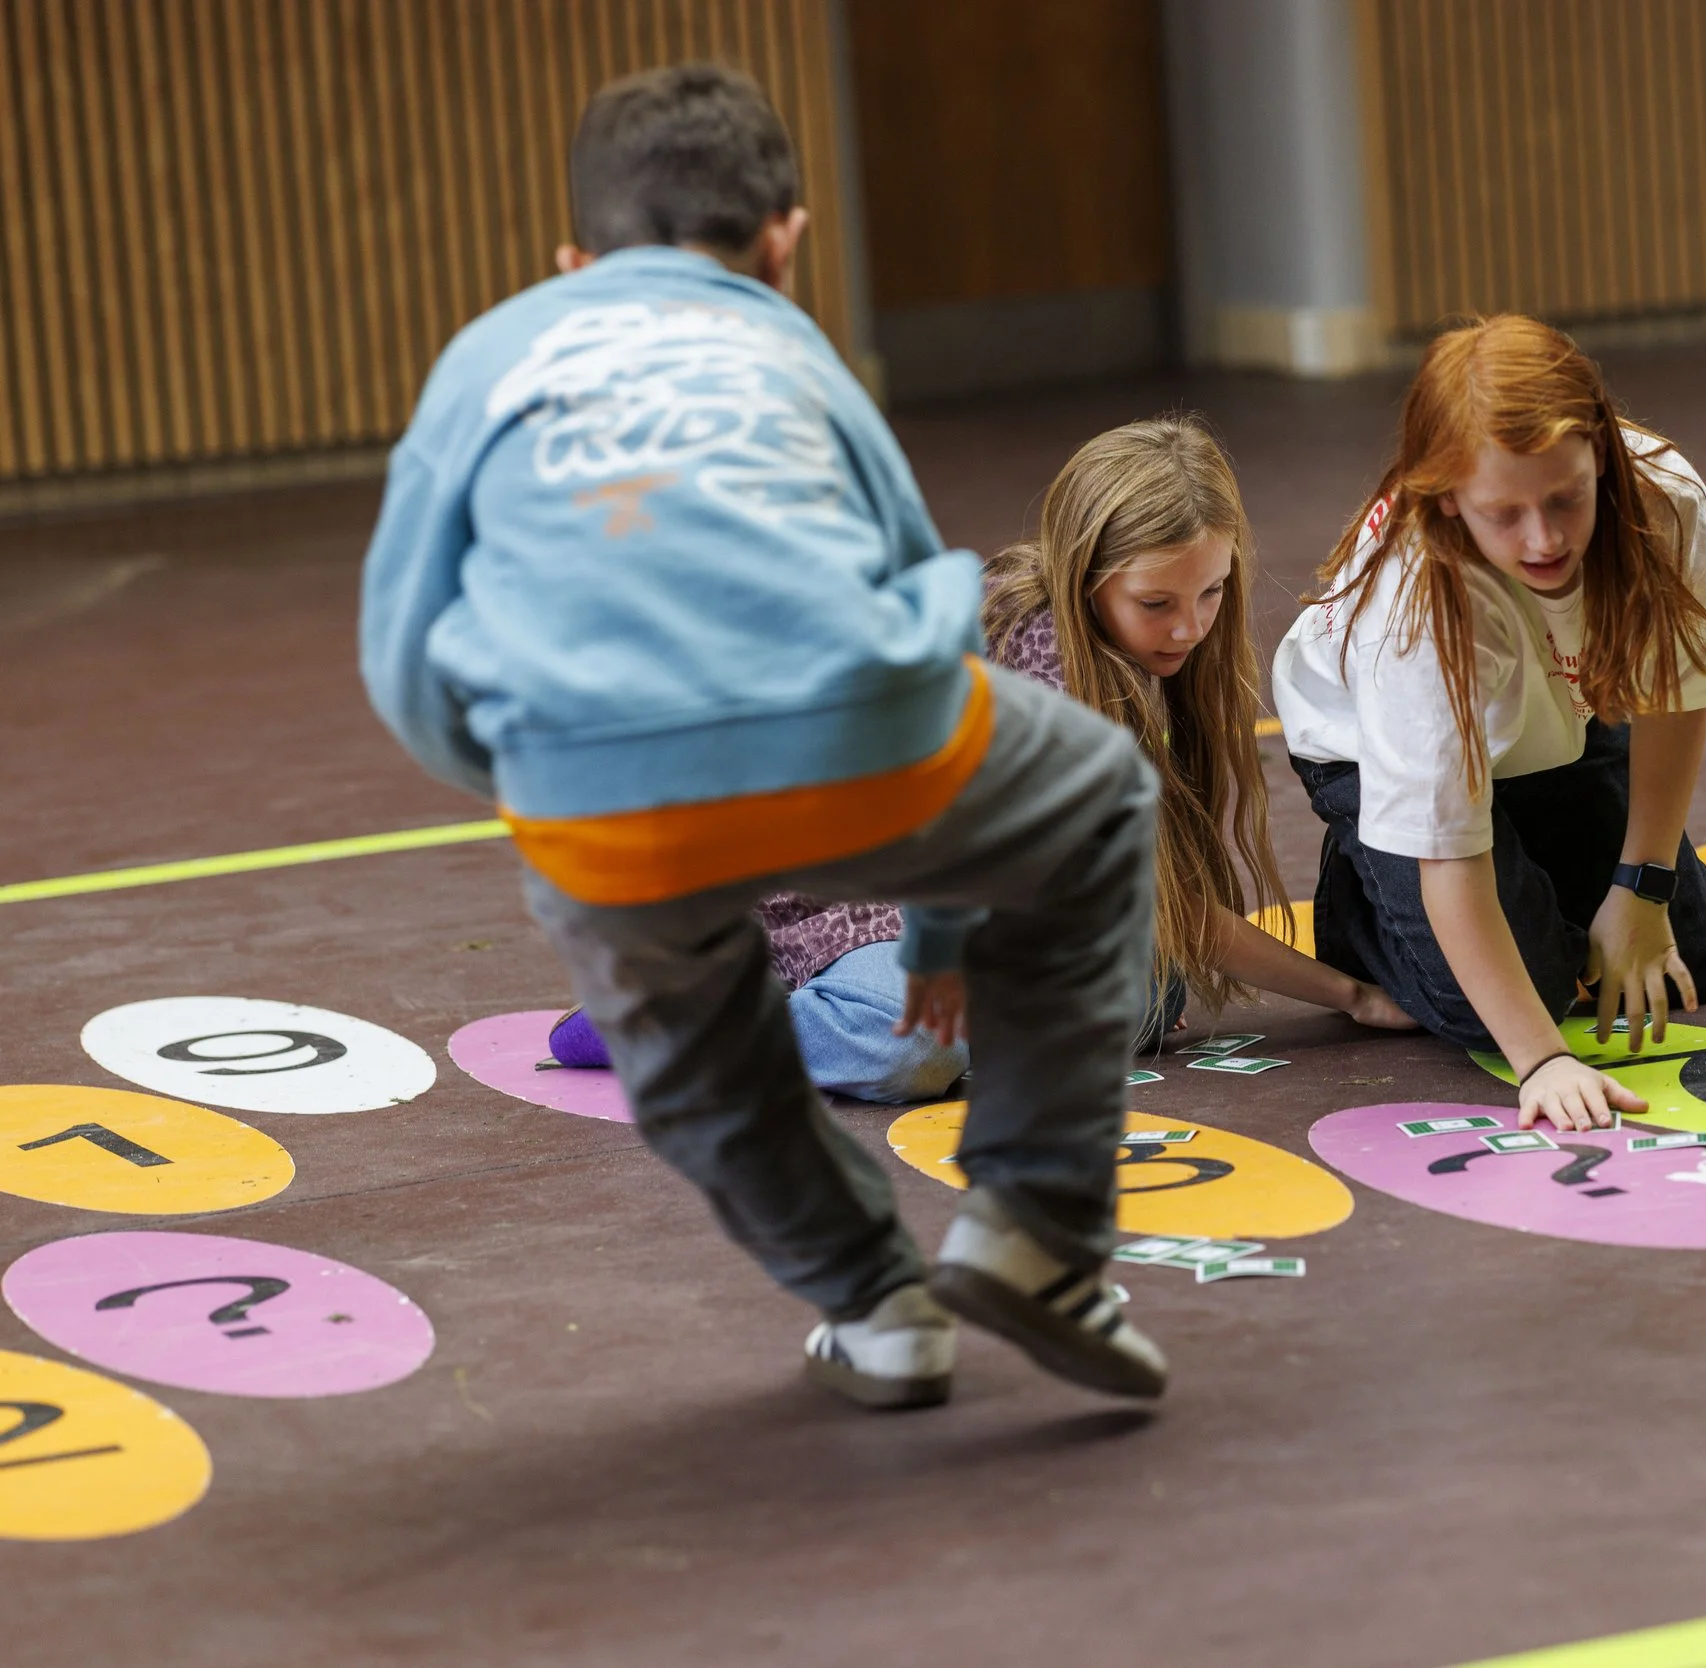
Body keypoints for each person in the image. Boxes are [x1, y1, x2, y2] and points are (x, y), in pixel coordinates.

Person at [360, 63, 1167, 1411]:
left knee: (696, 1065)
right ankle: (1033, 1231)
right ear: (785, 242)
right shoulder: (799, 350)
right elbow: (919, 587)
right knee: (1097, 796)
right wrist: (947, 925)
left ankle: (876, 1307)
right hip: (867, 734)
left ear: (572, 260)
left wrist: (536, 784)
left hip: (592, 787)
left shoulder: (490, 355)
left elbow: (402, 657)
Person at [567, 416, 1409, 1100]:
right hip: (826, 897)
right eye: (1157, 602)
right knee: (916, 1049)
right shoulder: (1049, 672)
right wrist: (1351, 994)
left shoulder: (1120, 653)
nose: (1191, 627)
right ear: (1086, 578)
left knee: (1146, 996)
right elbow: (1170, 909)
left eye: (1213, 592)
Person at [1273, 314, 1706, 1134]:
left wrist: (1641, 890)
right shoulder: (1415, 600)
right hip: (1371, 749)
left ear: (1602, 455)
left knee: (1693, 954)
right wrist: (1543, 1060)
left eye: (1567, 499)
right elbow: (1449, 856)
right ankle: (1364, 894)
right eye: (1503, 513)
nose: (1543, 538)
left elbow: (1675, 691)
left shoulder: (1663, 497)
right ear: (1446, 498)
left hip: (1558, 714)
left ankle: (1532, 851)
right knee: (1514, 1001)